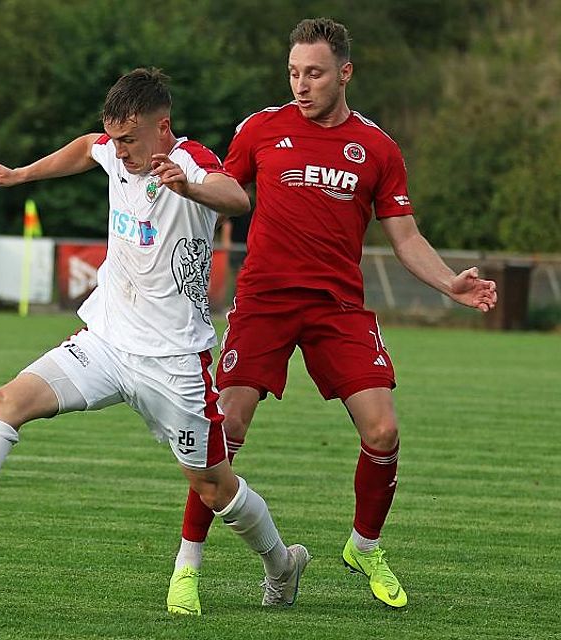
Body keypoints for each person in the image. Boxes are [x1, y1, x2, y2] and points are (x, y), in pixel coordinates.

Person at [0, 68, 310, 611]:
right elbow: (85, 148)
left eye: (130, 141)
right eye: (115, 139)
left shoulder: (190, 161)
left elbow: (236, 197)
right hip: (106, 342)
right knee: (5, 402)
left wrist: (190, 187)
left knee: (213, 487)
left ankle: (282, 563)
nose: (120, 151)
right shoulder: (113, 150)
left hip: (174, 362)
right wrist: (21, 175)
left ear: (163, 127)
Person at [166, 18, 498, 612]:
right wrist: (189, 188)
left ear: (345, 73)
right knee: (225, 434)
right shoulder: (261, 129)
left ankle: (364, 546)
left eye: (314, 73)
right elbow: (227, 189)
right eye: (293, 72)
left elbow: (405, 236)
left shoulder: (377, 147)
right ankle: (187, 562)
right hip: (264, 302)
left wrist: (451, 283)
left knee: (384, 431)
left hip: (338, 308)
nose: (301, 84)